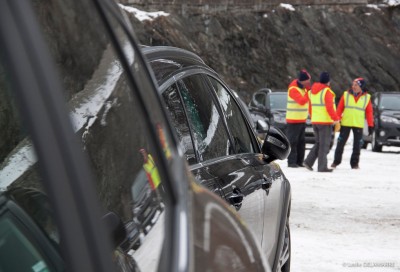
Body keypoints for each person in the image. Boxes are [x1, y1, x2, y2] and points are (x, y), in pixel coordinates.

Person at [331, 78, 374, 169]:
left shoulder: (367, 97)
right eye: (353, 84)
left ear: (361, 87)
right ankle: (336, 162)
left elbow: (369, 112)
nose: (353, 86)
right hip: (346, 122)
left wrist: (370, 125)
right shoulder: (346, 95)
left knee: (357, 145)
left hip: (358, 124)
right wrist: (336, 120)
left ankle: (354, 163)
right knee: (340, 143)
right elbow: (339, 109)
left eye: (356, 85)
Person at [303, 72, 340, 172]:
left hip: (315, 121)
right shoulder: (327, 92)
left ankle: (308, 162)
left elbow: (310, 107)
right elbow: (330, 108)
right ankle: (322, 167)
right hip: (325, 122)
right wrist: (336, 119)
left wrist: (312, 117)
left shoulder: (311, 91)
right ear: (328, 81)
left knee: (319, 143)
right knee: (324, 145)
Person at [286, 69, 311, 168]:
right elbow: (301, 101)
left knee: (301, 142)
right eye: (308, 80)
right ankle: (291, 162)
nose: (309, 82)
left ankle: (300, 161)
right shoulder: (293, 89)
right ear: (303, 80)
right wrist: (308, 92)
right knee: (293, 141)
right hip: (293, 120)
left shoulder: (303, 89)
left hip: (302, 119)